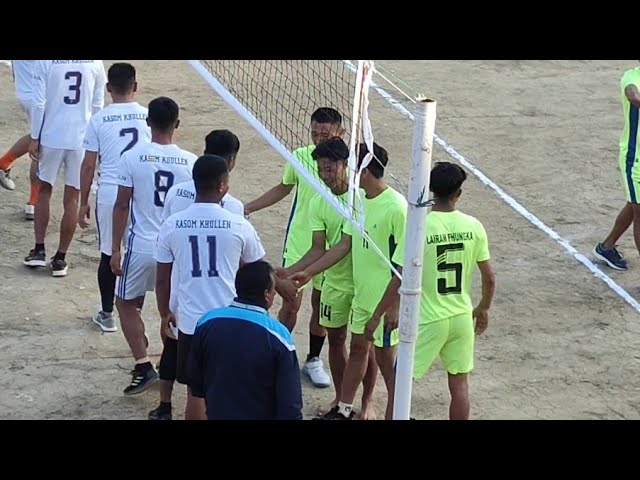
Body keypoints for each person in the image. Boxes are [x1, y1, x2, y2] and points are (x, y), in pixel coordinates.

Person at [370, 162, 495, 420]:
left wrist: (377, 314)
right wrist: (483, 308)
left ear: (430, 189)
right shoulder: (474, 226)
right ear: (458, 193)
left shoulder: (419, 227)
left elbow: (398, 275)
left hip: (428, 320)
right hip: (461, 316)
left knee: (400, 384)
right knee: (460, 387)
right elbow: (489, 278)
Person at [291, 142, 407, 420]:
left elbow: (405, 265)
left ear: (364, 169)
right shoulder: (358, 202)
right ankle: (342, 410)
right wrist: (308, 272)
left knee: (386, 362)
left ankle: (395, 412)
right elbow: (344, 245)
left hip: (384, 299)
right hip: (362, 297)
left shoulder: (397, 207)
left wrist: (392, 306)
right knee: (357, 349)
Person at [245, 107, 346, 388]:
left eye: (324, 135)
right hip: (302, 243)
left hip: (336, 247)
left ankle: (313, 359)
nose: (318, 139)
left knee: (321, 308)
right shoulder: (300, 157)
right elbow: (283, 187)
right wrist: (248, 207)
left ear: (340, 133)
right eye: (314, 134)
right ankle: (275, 354)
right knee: (291, 303)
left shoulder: (349, 163)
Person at [149, 131, 244, 420]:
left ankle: (165, 405)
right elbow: (246, 264)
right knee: (217, 385)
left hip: (183, 297)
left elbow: (163, 270)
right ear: (229, 165)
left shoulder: (177, 195)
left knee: (183, 370)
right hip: (222, 308)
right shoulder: (235, 209)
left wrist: (164, 310)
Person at [281, 136, 379, 419]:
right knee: (337, 340)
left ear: (343, 165)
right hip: (335, 282)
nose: (324, 174)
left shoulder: (361, 198)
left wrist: (307, 272)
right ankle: (341, 401)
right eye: (321, 169)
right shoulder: (319, 203)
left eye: (329, 168)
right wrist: (289, 272)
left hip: (363, 282)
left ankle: (368, 402)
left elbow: (344, 246)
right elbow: (317, 248)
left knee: (365, 345)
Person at [111, 96, 197, 396]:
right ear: (177, 124)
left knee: (125, 303)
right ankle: (171, 370)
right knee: (171, 311)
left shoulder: (132, 158)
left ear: (148, 122)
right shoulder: (191, 162)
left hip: (143, 245)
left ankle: (143, 363)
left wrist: (115, 249)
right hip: (174, 248)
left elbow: (122, 205)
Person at [77, 62, 151, 333]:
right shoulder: (147, 115)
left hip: (110, 191)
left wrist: (83, 200)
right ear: (136, 86)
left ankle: (108, 314)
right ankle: (134, 309)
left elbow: (87, 165)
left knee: (109, 252)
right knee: (137, 251)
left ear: (108, 88)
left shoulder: (98, 119)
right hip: (140, 191)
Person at [188, 260, 303, 420]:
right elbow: (290, 404)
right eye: (273, 289)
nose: (275, 293)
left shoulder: (206, 322)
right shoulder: (279, 336)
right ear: (266, 294)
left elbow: (196, 382)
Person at [23, 60, 107, 276]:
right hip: (81, 140)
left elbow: (38, 102)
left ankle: (39, 249)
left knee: (44, 191)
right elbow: (98, 105)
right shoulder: (95, 63)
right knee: (72, 198)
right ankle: (60, 258)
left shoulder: (45, 62)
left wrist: (34, 137)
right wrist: (95, 140)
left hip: (52, 136)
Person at [593, 63, 640, 271]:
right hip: (635, 160)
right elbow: (634, 96)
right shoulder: (631, 78)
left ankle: (606, 247)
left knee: (634, 205)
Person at [162, 129, 243, 217]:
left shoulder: (174, 192)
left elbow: (165, 226)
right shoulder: (234, 207)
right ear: (231, 159)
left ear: (205, 153)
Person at [0, 60, 41, 221]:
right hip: (38, 94)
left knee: (39, 137)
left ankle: (4, 163)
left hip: (25, 90)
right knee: (41, 143)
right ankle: (33, 202)